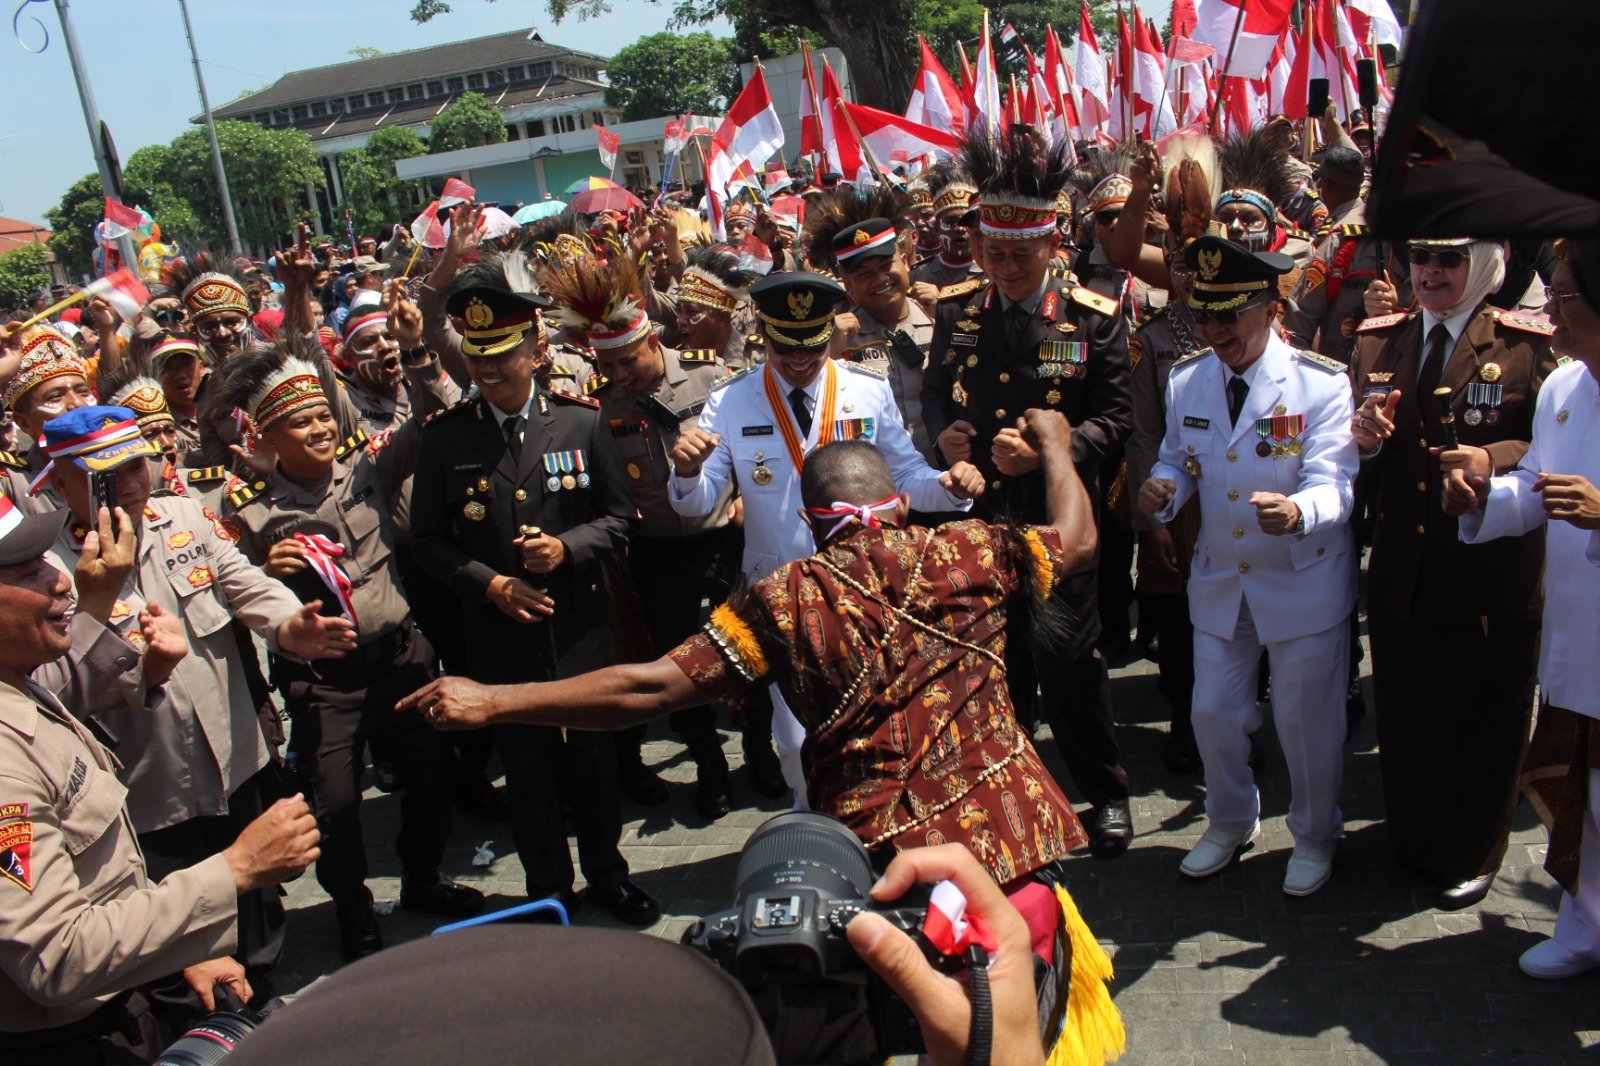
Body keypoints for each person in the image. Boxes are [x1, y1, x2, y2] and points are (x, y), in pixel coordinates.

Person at [403, 413, 1124, 1066]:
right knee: (1026, 1035)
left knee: (878, 1025)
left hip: (878, 873)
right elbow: (1082, 539)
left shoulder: (783, 597)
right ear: (897, 503)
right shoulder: (975, 549)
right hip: (1007, 854)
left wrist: (495, 698)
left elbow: (650, 689)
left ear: (813, 522)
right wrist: (1059, 446)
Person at [34, 404, 357, 1008]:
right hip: (149, 796)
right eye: (105, 475)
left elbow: (243, 583)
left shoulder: (182, 515)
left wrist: (289, 625)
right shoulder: (47, 565)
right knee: (180, 956)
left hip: (236, 764)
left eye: (136, 464)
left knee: (259, 922)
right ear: (56, 482)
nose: (129, 484)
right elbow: (46, 688)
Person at [0, 494, 322, 1058]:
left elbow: (95, 878)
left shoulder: (18, 679)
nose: (60, 581)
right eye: (29, 572)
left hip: (116, 996)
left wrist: (178, 945)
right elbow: (58, 957)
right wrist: (235, 869)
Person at [214, 321, 483, 960]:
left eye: (321, 414)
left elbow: (439, 414)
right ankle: (353, 906)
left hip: (401, 657)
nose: (319, 427)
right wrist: (260, 568)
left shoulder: (370, 466)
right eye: (300, 422)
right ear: (270, 437)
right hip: (325, 681)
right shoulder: (246, 508)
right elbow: (222, 586)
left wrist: (418, 351)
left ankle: (422, 878)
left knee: (433, 777)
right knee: (334, 801)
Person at [668, 271, 981, 802]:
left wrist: (951, 487)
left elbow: (905, 476)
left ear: (828, 334)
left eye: (810, 346)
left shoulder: (866, 388)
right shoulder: (732, 401)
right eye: (783, 347)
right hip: (783, 590)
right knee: (793, 740)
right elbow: (698, 505)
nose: (798, 360)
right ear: (763, 336)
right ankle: (812, 818)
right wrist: (686, 472)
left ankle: (875, 824)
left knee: (874, 724)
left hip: (864, 585)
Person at [409, 264, 659, 926]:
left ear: (537, 351)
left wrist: (567, 549)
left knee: (595, 766)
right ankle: (549, 888)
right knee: (528, 773)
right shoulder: (445, 438)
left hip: (579, 631)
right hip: (499, 639)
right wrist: (488, 582)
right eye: (477, 357)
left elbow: (620, 516)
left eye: (502, 357)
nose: (488, 371)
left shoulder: (581, 424)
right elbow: (427, 541)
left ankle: (609, 874)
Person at [922, 124, 1137, 860]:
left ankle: (1106, 792)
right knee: (993, 663)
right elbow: (934, 399)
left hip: (1058, 522)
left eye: (1021, 254)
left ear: (1054, 247)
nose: (1005, 267)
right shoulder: (957, 313)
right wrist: (950, 444)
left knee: (1071, 662)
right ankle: (1010, 787)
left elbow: (1116, 419)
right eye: (993, 252)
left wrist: (1050, 454)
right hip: (981, 520)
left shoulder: (1091, 317)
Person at [1138, 235, 1358, 896]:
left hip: (1301, 576)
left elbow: (1338, 482)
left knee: (1305, 722)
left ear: (1268, 308)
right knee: (1211, 711)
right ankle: (1231, 819)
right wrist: (1162, 486)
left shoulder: (1320, 383)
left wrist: (1301, 511)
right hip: (1223, 577)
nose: (1214, 330)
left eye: (1229, 316)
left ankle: (1317, 834)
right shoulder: (1187, 377)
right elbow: (1179, 457)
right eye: (1204, 316)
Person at [1350, 237, 1557, 911]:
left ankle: (1476, 849)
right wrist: (1363, 443)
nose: (1431, 273)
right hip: (1404, 568)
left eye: (1449, 260)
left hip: (1487, 568)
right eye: (1421, 257)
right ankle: (1415, 839)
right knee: (1408, 714)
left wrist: (1490, 458)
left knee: (1483, 718)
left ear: (1486, 265)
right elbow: (1357, 463)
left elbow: (1553, 437)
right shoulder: (1380, 339)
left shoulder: (1527, 344)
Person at [1442, 238, 1600, 977]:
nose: (1552, 312)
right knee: (1580, 785)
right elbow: (1535, 484)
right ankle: (1584, 922)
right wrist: (1481, 496)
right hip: (1579, 632)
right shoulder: (1565, 389)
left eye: (1565, 299)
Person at [547, 252, 740, 818]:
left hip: (724, 537)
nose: (620, 376)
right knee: (679, 664)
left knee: (746, 646)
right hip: (655, 550)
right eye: (608, 367)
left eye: (629, 361)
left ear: (653, 341)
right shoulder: (598, 405)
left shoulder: (710, 375)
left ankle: (761, 752)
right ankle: (710, 766)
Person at [827, 218, 936, 457]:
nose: (880, 279)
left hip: (940, 469)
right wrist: (830, 354)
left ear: (905, 262)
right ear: (847, 284)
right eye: (865, 274)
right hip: (875, 475)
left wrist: (945, 319)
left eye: (887, 266)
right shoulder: (838, 338)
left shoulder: (937, 319)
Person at [1282, 147, 1384, 364]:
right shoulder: (1347, 228)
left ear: (1325, 185)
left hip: (1340, 366)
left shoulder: (1343, 237)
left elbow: (1300, 317)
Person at [0, 327, 95, 513]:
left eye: (83, 391)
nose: (76, 404)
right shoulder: (11, 484)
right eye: (55, 397)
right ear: (23, 423)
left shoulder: (131, 466)